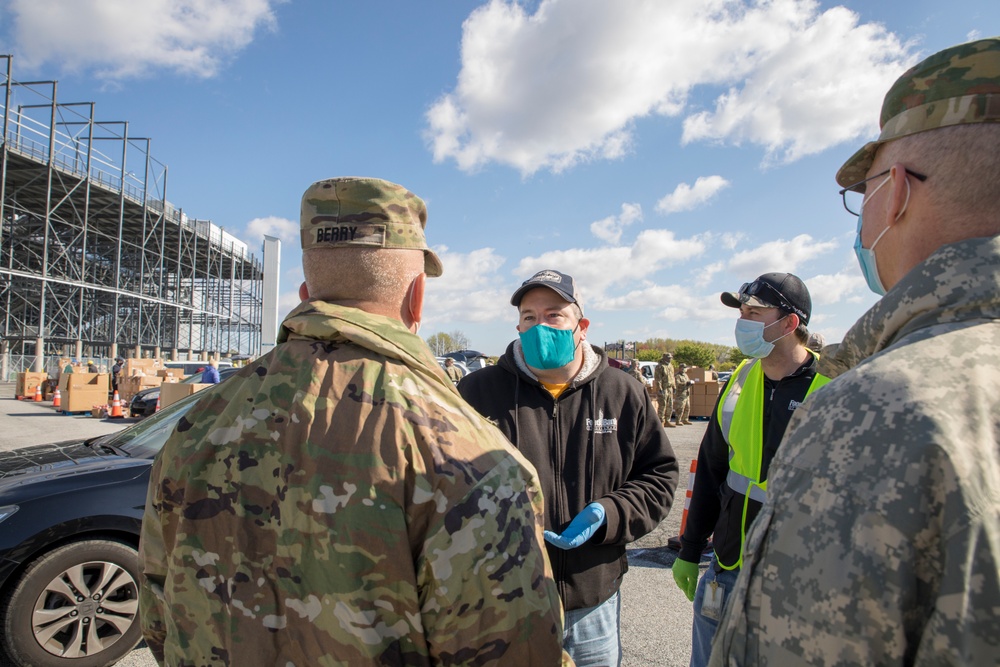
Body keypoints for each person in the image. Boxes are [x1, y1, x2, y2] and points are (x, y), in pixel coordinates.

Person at [139, 177, 568, 666]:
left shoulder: (197, 423)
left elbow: (158, 611)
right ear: (417, 297)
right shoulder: (465, 452)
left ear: (306, 293)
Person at [711, 38, 1000, 665]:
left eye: (863, 192)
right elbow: (713, 468)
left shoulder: (873, 407)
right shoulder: (743, 383)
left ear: (894, 191)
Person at [458, 268, 679, 666]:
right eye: (529, 317)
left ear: (582, 326)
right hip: (504, 603)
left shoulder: (622, 392)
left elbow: (658, 476)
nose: (539, 326)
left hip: (591, 606)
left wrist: (610, 513)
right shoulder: (476, 393)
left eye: (553, 315)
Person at [671, 273, 828, 667]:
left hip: (797, 584)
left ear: (790, 324)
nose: (742, 321)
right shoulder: (740, 379)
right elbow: (711, 470)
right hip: (726, 569)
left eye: (754, 312)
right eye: (742, 311)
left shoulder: (834, 387)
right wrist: (691, 549)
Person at [654, 352, 677, 427]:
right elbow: (658, 379)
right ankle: (661, 421)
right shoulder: (660, 366)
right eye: (668, 357)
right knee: (662, 405)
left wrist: (674, 387)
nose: (670, 359)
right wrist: (660, 388)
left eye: (670, 357)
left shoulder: (670, 366)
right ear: (664, 358)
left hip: (669, 388)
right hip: (663, 388)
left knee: (670, 405)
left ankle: (667, 421)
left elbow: (672, 377)